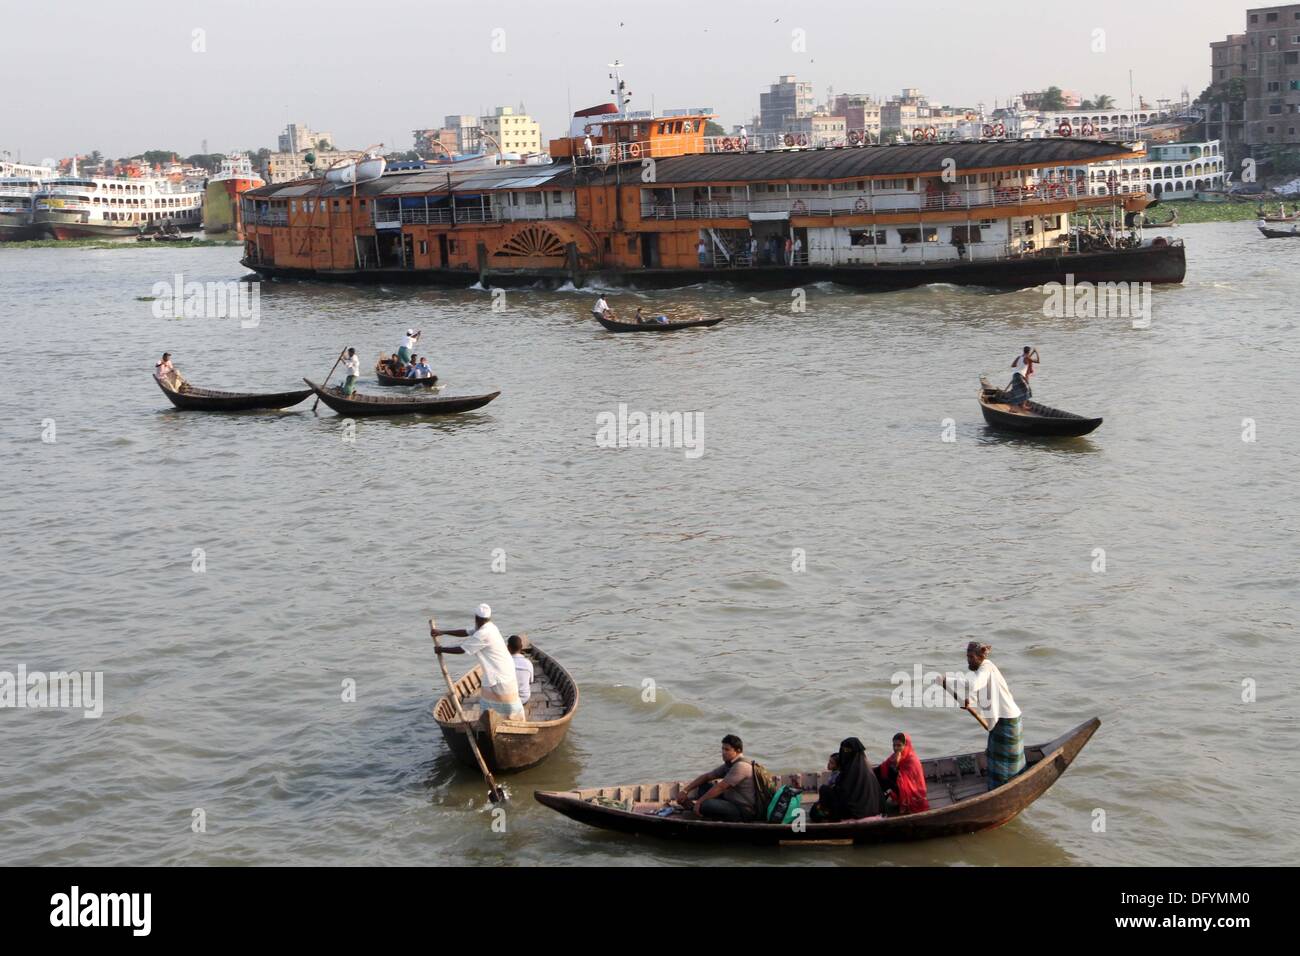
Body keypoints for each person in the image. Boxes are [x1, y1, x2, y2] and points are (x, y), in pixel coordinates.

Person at [940, 642, 1024, 790]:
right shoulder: (982, 671)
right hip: (1001, 720)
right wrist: (970, 701)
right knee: (994, 757)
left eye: (971, 657)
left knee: (1006, 769)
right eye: (967, 657)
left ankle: (1004, 790)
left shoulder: (986, 668)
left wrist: (948, 679)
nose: (968, 660)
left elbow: (973, 685)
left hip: (1007, 721)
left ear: (980, 657)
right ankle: (999, 789)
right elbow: (980, 689)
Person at [431, 604, 524, 720]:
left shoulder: (483, 634)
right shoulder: (489, 627)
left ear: (476, 618)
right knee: (497, 707)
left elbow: (462, 649)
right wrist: (442, 632)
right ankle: (498, 722)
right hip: (502, 670)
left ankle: (507, 722)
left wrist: (441, 649)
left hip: (500, 674)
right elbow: (465, 632)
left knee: (507, 707)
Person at [674, 734, 758, 821]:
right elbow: (707, 776)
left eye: (727, 750)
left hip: (743, 810)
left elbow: (721, 787)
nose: (723, 752)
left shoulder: (741, 766)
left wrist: (699, 802)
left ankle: (695, 810)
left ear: (738, 751)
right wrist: (685, 791)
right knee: (704, 786)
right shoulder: (729, 764)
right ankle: (697, 809)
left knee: (706, 804)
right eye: (722, 749)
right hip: (730, 801)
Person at [809, 737, 882, 822]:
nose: (844, 753)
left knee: (823, 790)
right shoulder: (867, 768)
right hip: (872, 808)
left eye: (847, 751)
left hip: (853, 812)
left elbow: (842, 794)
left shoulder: (849, 772)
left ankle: (830, 816)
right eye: (843, 750)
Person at [876, 732, 930, 815]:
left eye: (899, 745)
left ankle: (880, 808)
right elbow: (883, 767)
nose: (895, 748)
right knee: (880, 776)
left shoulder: (912, 760)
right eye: (894, 745)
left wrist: (895, 765)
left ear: (906, 745)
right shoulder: (896, 756)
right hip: (900, 786)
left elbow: (905, 781)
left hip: (912, 792)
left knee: (886, 781)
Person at [1005, 345, 1039, 410]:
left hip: (1015, 375)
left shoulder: (1019, 357)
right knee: (1027, 390)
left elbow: (1013, 365)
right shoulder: (1028, 358)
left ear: (1023, 351)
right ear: (1029, 352)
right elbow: (1038, 361)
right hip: (1020, 376)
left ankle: (1016, 407)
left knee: (1015, 392)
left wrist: (1020, 365)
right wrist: (1036, 352)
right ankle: (1019, 406)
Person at [507, 634, 533, 714]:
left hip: (507, 700)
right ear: (521, 648)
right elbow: (530, 682)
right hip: (524, 698)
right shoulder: (528, 663)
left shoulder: (503, 664)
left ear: (508, 648)